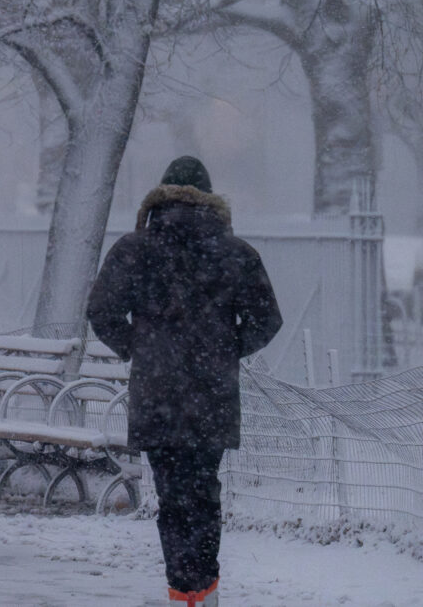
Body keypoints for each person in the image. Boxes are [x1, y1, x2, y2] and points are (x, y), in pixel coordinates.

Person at [86, 156, 282, 606]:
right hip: (212, 396)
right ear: (211, 202)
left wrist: (139, 346)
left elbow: (101, 311)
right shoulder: (235, 253)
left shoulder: (135, 250)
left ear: (161, 197)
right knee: (204, 493)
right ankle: (206, 589)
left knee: (172, 498)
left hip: (157, 393)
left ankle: (181, 591)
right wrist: (228, 347)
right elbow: (266, 320)